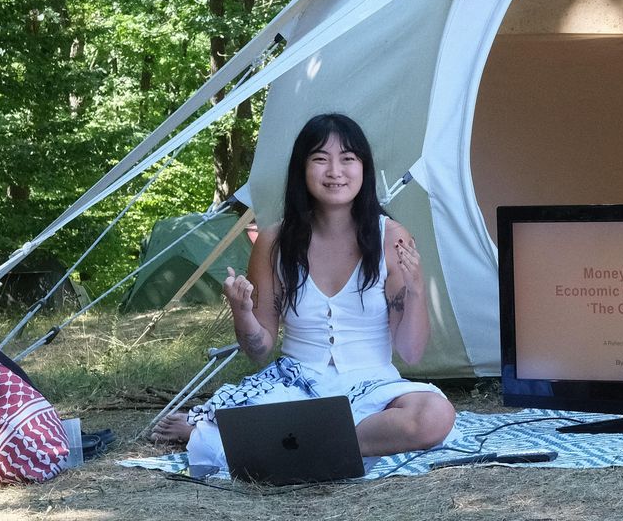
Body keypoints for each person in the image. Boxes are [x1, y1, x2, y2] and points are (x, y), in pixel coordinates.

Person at [151, 113, 457, 469]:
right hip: (295, 383)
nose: (335, 171)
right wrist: (243, 312)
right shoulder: (274, 242)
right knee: (247, 418)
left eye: (347, 159)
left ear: (364, 168)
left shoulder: (391, 236)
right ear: (302, 168)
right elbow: (259, 349)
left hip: (372, 384)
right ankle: (308, 439)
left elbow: (411, 352)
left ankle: (297, 443)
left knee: (434, 415)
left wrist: (417, 291)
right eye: (320, 159)